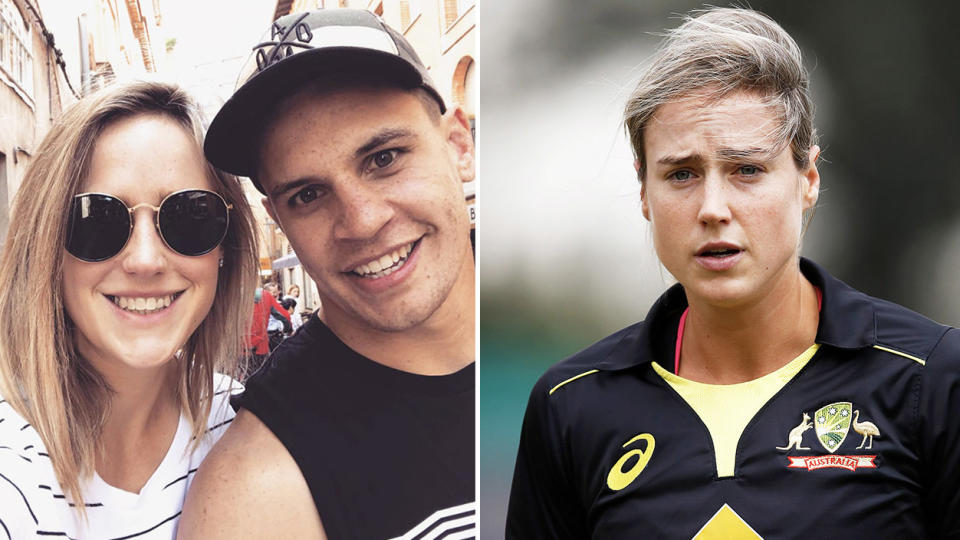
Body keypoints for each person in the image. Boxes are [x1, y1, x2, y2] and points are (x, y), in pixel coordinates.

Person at [506, 7, 960, 538]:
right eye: (681, 174)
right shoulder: (572, 406)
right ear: (644, 192)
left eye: (746, 169)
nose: (712, 207)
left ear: (807, 179)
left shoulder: (930, 378)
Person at [179, 8, 476, 540]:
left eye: (384, 158)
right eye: (308, 195)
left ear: (459, 145)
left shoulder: (611, 320)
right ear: (280, 219)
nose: (362, 221)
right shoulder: (258, 491)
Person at [0, 80, 258, 538]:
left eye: (189, 217)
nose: (145, 260)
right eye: (97, 219)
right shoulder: (13, 471)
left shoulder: (239, 426)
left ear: (226, 248)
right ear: (46, 251)